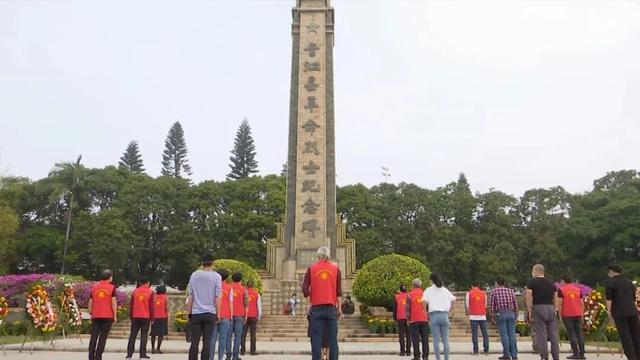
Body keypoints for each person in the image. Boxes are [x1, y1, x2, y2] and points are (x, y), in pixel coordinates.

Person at [302, 246, 342, 360]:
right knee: (332, 338)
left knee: (316, 338)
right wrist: (339, 307)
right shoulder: (336, 269)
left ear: (318, 256)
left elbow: (305, 289)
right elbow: (338, 291)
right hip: (331, 307)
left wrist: (311, 297)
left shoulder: (311, 268)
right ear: (328, 256)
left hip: (316, 308)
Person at [187, 254, 222, 360]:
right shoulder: (217, 276)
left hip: (196, 312)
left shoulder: (194, 275)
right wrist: (218, 313)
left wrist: (189, 312)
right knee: (207, 342)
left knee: (194, 341)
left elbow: (191, 295)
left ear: (202, 263)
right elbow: (217, 296)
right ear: (213, 263)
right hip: (210, 313)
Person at [605, 264, 640, 360]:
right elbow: (634, 298)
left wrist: (609, 312)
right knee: (636, 335)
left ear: (611, 271)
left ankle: (632, 357)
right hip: (632, 311)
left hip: (619, 312)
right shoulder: (629, 282)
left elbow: (609, 299)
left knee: (626, 337)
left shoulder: (611, 282)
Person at [526, 264, 560, 360]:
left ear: (535, 271)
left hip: (538, 307)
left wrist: (530, 310)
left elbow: (529, 296)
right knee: (553, 334)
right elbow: (555, 296)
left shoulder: (532, 282)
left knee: (542, 334)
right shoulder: (551, 283)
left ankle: (544, 356)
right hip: (551, 308)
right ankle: (556, 356)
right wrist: (556, 309)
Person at [422, 273, 456, 360]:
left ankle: (438, 358)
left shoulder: (428, 290)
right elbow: (453, 300)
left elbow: (424, 301)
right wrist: (449, 310)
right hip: (444, 315)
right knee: (445, 340)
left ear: (431, 280)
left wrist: (425, 311)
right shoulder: (444, 290)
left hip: (434, 315)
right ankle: (446, 358)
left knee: (436, 340)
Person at [88, 269, 118, 360]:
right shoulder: (112, 288)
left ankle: (91, 356)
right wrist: (115, 316)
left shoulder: (94, 288)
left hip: (96, 316)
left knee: (94, 336)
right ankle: (98, 357)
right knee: (103, 337)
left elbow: (90, 302)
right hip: (107, 316)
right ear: (110, 277)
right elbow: (113, 303)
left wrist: (90, 313)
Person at [489, 276, 518, 360]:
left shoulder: (494, 291)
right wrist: (515, 314)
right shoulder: (510, 291)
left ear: (497, 283)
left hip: (500, 313)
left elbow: (491, 305)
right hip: (510, 312)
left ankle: (507, 354)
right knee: (512, 334)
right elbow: (515, 304)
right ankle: (514, 355)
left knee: (504, 334)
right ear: (504, 283)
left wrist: (492, 316)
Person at [126, 278, 154, 360]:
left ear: (140, 283)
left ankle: (129, 355)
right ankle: (142, 355)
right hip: (145, 317)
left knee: (132, 335)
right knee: (144, 336)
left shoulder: (135, 292)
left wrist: (131, 316)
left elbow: (131, 305)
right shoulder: (150, 292)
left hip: (135, 316)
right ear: (148, 283)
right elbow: (151, 307)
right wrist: (152, 318)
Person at [558, 276, 585, 359]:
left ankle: (575, 353)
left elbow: (560, 303)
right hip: (578, 314)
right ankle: (582, 354)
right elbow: (582, 303)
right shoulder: (578, 290)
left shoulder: (561, 290)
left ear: (563, 281)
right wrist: (582, 314)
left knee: (571, 334)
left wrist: (560, 315)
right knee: (579, 334)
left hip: (567, 314)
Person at [213, 269, 233, 360]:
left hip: (213, 315)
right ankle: (220, 358)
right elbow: (231, 302)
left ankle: (210, 358)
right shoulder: (229, 288)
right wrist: (231, 315)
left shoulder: (212, 286)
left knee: (212, 340)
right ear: (226, 277)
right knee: (223, 339)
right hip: (226, 316)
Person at [227, 272, 248, 360]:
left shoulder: (228, 287)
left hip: (229, 315)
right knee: (238, 336)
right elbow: (246, 304)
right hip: (240, 315)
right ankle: (235, 356)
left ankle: (228, 355)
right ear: (241, 279)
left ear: (232, 279)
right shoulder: (243, 290)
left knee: (228, 336)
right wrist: (246, 316)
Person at [407, 279, 429, 360]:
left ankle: (416, 356)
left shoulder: (409, 294)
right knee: (425, 339)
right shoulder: (425, 294)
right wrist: (428, 318)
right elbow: (428, 307)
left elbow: (408, 309)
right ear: (420, 285)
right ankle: (425, 356)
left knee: (415, 339)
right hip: (424, 319)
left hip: (414, 319)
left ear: (413, 285)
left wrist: (408, 319)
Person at [466, 282, 489, 355]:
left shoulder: (469, 293)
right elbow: (485, 304)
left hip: (473, 316)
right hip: (482, 316)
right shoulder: (483, 293)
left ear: (472, 286)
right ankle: (486, 350)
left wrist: (471, 309)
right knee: (485, 334)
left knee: (474, 334)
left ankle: (476, 351)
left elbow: (467, 305)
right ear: (479, 286)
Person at [241, 279, 261, 356]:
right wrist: (259, 315)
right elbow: (258, 306)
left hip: (244, 315)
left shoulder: (244, 292)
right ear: (253, 285)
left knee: (243, 334)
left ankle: (242, 351)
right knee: (253, 334)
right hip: (253, 316)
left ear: (246, 285)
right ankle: (253, 351)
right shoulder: (256, 293)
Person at [392, 284, 412, 357]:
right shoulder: (409, 296)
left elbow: (394, 309)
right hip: (408, 318)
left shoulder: (396, 297)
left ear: (399, 290)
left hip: (400, 318)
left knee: (401, 335)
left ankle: (402, 352)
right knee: (408, 335)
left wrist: (394, 317)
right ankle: (409, 352)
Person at [151, 285, 168, 354]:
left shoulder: (153, 297)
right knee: (161, 334)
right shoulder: (165, 297)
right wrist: (168, 317)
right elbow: (166, 308)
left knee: (153, 334)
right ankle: (158, 348)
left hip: (154, 317)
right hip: (163, 317)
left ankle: (153, 349)